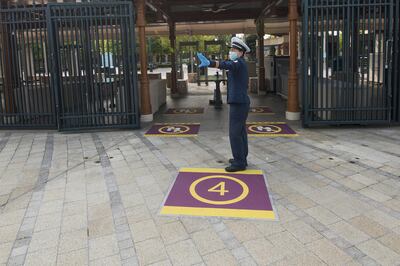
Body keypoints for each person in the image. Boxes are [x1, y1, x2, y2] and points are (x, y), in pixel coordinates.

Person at [197, 37, 251, 172]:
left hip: (239, 103)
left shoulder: (238, 63)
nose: (231, 51)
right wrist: (213, 63)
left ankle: (239, 163)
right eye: (231, 49)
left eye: (234, 49)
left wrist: (209, 62)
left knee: (234, 133)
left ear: (242, 52)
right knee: (240, 132)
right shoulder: (238, 62)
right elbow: (227, 63)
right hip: (240, 102)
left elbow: (227, 65)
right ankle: (242, 157)